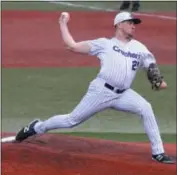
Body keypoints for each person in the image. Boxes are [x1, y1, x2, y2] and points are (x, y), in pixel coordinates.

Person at [15, 11, 175, 164]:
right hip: (101, 91)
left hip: (123, 94)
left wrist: (157, 79)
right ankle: (37, 127)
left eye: (134, 23)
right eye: (130, 23)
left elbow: (150, 65)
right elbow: (73, 46)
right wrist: (62, 23)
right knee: (72, 120)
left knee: (145, 108)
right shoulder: (105, 44)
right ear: (119, 25)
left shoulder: (139, 47)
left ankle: (158, 153)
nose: (134, 26)